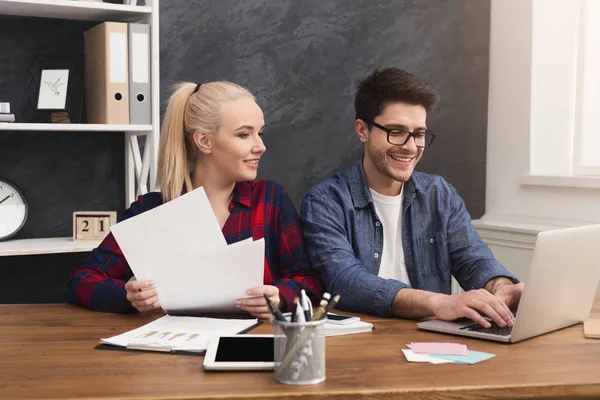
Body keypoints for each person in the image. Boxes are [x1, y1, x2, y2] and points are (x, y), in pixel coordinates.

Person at [67, 81, 322, 318]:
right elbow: (81, 280)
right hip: (174, 351)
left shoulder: (271, 200)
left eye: (260, 133)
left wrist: (280, 297)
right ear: (204, 141)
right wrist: (126, 295)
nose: (260, 146)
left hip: (257, 344)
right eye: (244, 135)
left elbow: (308, 280)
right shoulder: (152, 210)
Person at [300, 68, 523, 328]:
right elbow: (345, 281)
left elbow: (473, 260)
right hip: (359, 346)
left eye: (418, 134)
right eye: (396, 131)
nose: (410, 146)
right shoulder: (325, 201)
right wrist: (439, 303)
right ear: (363, 130)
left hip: (431, 344)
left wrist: (502, 287)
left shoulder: (440, 194)